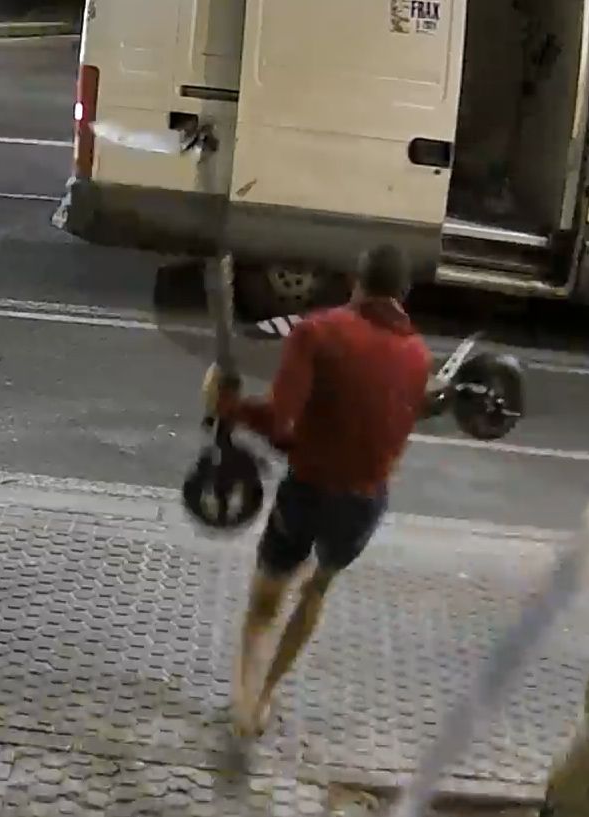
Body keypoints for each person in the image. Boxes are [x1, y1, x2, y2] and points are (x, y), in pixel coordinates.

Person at [202, 243, 433, 738]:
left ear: (356, 281)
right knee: (318, 587)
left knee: (266, 599)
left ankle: (245, 705)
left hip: (308, 489)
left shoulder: (318, 332)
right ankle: (267, 695)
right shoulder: (419, 355)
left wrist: (230, 407)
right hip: (364, 503)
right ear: (404, 294)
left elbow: (281, 422)